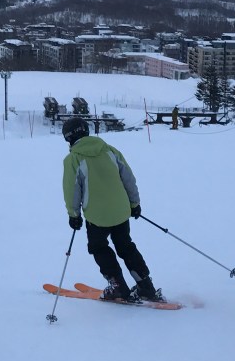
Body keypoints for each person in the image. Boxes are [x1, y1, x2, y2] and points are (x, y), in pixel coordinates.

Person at [61, 117, 163, 303]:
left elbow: (72, 190)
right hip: (121, 211)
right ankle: (146, 286)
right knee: (126, 246)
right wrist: (134, 204)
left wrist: (73, 214)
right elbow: (128, 179)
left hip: (97, 216)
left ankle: (118, 286)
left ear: (68, 138)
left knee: (98, 247)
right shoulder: (110, 150)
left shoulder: (73, 159)